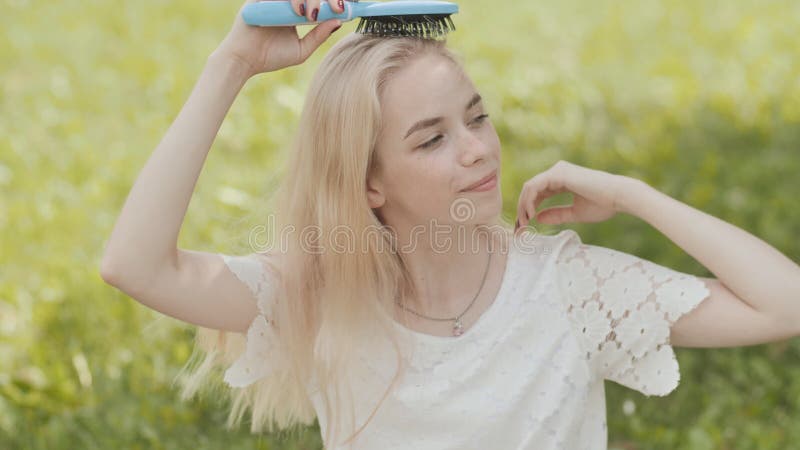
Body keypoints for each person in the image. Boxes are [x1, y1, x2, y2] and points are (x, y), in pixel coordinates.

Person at [99, 1, 800, 448]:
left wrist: (634, 193)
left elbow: (785, 303)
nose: (476, 149)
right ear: (369, 183)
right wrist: (233, 63)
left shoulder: (565, 286)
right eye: (431, 139)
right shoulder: (324, 292)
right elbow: (135, 266)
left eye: (477, 116)